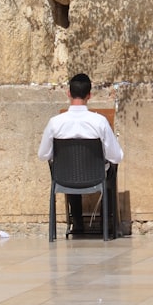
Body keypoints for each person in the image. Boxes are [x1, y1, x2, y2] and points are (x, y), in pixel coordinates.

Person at [38, 73, 123, 234]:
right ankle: (107, 224)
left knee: (71, 167)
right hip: (96, 176)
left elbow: (43, 155)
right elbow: (116, 156)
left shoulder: (55, 123)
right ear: (89, 95)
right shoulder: (100, 122)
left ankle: (77, 223)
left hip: (64, 177)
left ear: (68, 93)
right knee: (111, 168)